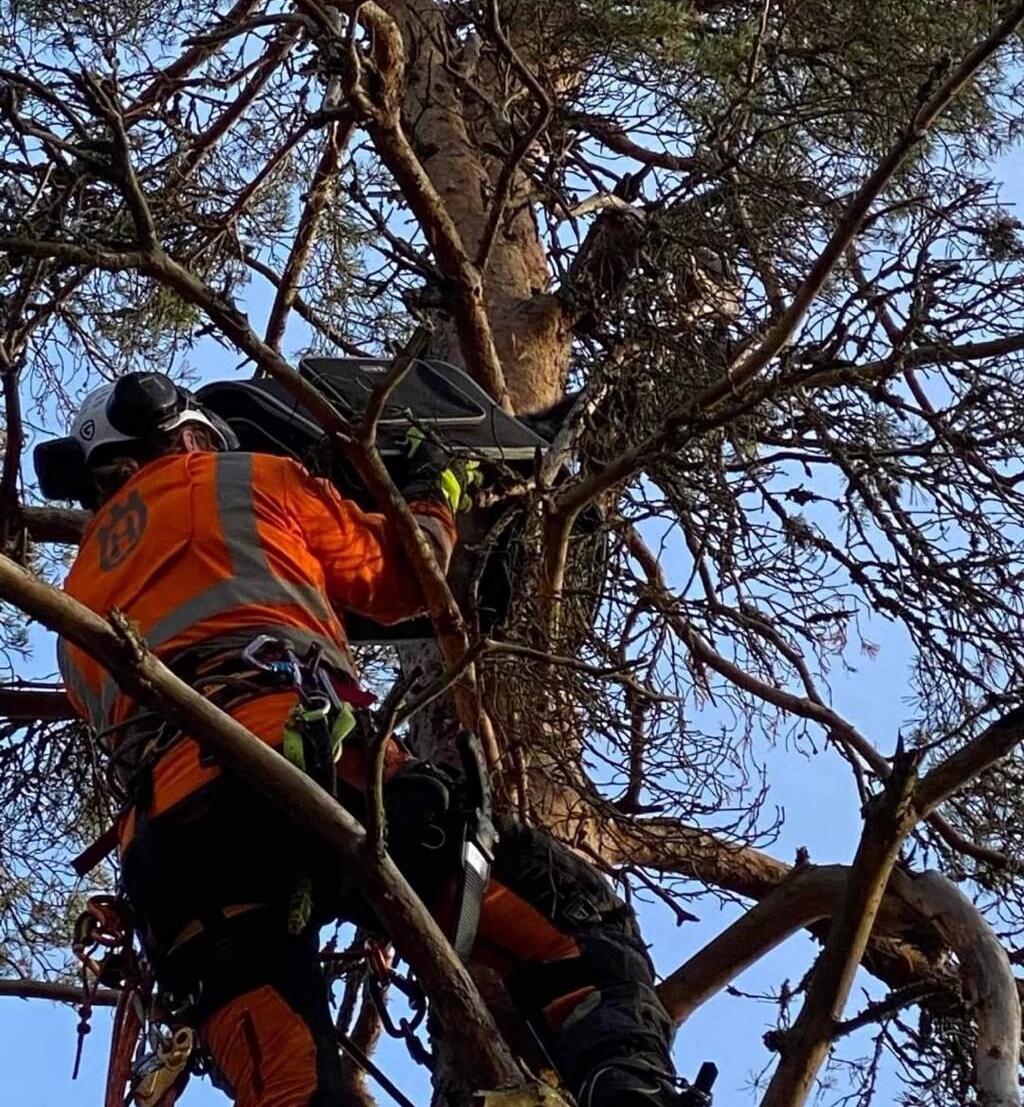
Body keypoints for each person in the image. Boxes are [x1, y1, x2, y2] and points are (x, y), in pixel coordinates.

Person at [52, 372, 686, 1107]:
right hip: (296, 762)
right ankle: (629, 1092)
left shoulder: (75, 598)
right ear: (185, 434)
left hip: (176, 855)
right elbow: (401, 576)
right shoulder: (244, 477)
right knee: (578, 933)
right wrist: (432, 491)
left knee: (295, 1091)